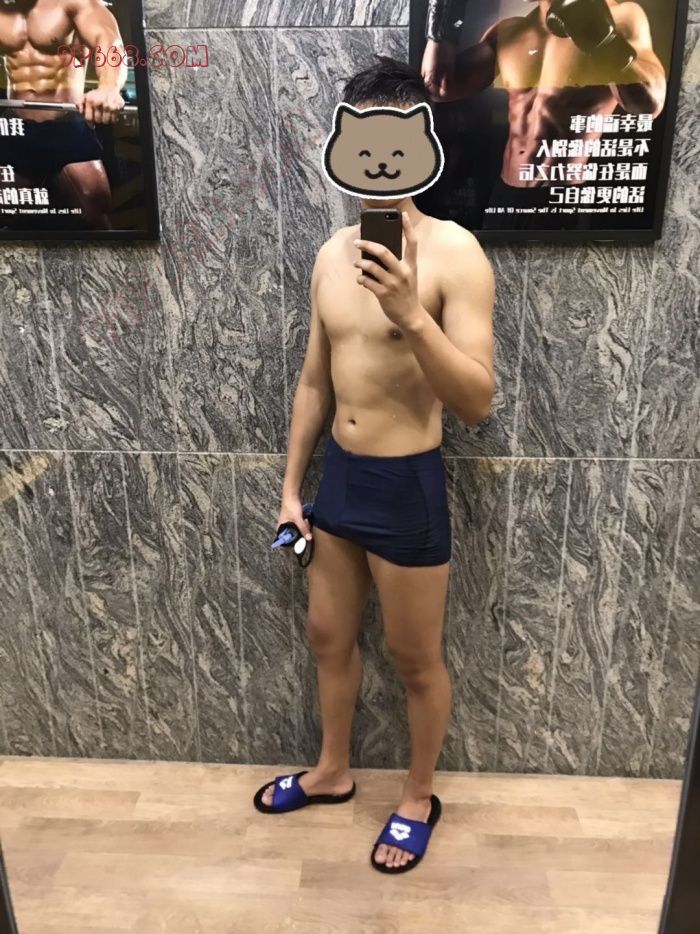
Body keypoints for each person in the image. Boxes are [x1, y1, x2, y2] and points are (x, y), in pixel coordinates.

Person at [253, 56, 496, 873]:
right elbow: (313, 382)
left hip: (407, 485)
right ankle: (332, 771)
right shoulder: (332, 255)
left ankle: (419, 796)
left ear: (421, 143)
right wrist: (292, 489)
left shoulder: (456, 254)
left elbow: (477, 400)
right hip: (342, 482)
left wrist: (409, 316)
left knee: (414, 659)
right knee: (327, 637)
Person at [420, 0, 667, 228]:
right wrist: (443, 9)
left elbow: (649, 106)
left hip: (563, 201)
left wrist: (602, 39)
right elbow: (439, 87)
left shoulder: (622, 16)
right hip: (506, 195)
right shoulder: (509, 31)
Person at [0, 0, 127, 227]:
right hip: (16, 124)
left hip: (65, 124)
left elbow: (108, 41)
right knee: (6, 212)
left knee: (94, 208)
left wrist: (109, 86)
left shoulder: (73, 3)